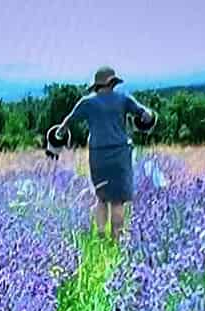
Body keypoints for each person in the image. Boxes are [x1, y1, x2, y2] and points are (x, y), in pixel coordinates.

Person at [52, 66, 155, 244]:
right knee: (117, 201)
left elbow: (65, 124)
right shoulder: (124, 99)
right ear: (113, 82)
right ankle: (116, 239)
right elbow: (145, 115)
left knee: (101, 198)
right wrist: (145, 120)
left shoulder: (87, 102)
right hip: (120, 154)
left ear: (97, 85)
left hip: (98, 155)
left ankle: (100, 238)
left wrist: (58, 137)